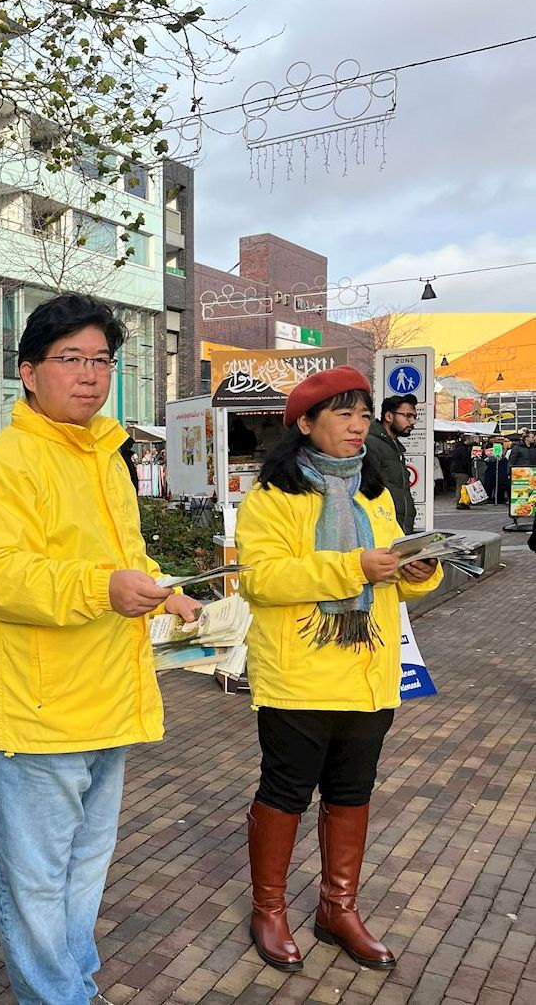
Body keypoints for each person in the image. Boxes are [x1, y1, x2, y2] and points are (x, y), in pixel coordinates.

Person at [0, 294, 202, 1005]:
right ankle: (57, 997)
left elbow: (121, 558)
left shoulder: (105, 457)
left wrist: (165, 591)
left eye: (101, 360)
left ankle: (75, 986)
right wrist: (103, 588)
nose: (90, 375)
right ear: (30, 373)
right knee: (35, 883)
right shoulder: (4, 465)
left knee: (84, 870)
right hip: (36, 711)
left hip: (108, 698)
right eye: (71, 359)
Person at [236, 368, 441, 975]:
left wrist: (418, 570)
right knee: (286, 792)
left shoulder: (374, 494)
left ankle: (338, 908)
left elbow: (392, 579)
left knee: (352, 792)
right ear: (304, 423)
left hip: (368, 671)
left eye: (364, 415)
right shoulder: (272, 498)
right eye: (344, 414)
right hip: (298, 675)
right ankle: (269, 910)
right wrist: (354, 566)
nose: (358, 426)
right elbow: (261, 580)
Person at [363, 393, 417, 533]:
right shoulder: (371, 443)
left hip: (400, 526)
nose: (412, 422)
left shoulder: (395, 447)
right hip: (384, 527)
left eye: (414, 416)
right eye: (407, 416)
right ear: (388, 416)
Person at [448, 437, 473, 506]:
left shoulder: (457, 447)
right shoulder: (463, 449)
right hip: (461, 471)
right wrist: (469, 473)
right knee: (461, 487)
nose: (471, 440)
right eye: (470, 439)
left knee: (459, 486)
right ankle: (460, 502)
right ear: (466, 440)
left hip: (455, 470)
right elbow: (466, 461)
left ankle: (461, 501)